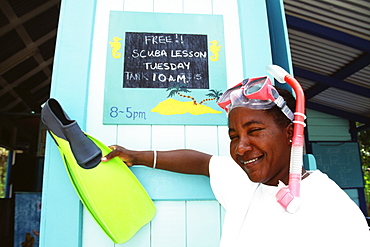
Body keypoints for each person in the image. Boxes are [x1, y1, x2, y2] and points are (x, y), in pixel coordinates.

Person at [102, 76, 369, 246]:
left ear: (291, 133)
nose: (241, 147)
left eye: (254, 131)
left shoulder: (332, 208)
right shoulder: (245, 183)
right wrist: (135, 156)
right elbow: (201, 163)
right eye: (233, 136)